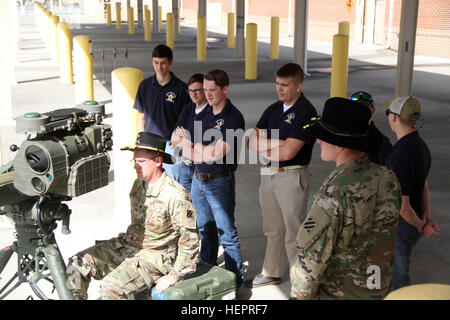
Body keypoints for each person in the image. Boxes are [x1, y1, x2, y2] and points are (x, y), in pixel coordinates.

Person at [290, 97, 402, 300]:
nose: (319, 141)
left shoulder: (334, 194)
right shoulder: (388, 177)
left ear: (339, 144)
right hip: (379, 290)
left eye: (323, 137)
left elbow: (309, 263)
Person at [66, 132, 200, 300]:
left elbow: (191, 240)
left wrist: (175, 275)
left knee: (110, 287)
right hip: (130, 245)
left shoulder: (175, 195)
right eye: (135, 161)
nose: (136, 166)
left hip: (155, 257)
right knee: (76, 265)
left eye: (141, 161)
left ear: (158, 161)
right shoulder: (139, 184)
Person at [246, 63, 317, 288]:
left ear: (298, 86)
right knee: (272, 228)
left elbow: (289, 152)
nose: (279, 89)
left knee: (294, 232)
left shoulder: (306, 112)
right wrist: (278, 142)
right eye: (277, 84)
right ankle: (272, 272)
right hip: (268, 173)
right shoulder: (273, 109)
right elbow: (251, 142)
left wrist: (267, 145)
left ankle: (300, 281)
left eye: (285, 85)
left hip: (292, 177)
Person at [176, 69, 245, 288]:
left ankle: (234, 281)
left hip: (219, 182)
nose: (207, 94)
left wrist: (192, 146)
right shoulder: (203, 114)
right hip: (198, 179)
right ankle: (207, 269)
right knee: (205, 229)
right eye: (205, 90)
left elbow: (215, 154)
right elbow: (179, 142)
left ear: (225, 88)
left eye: (212, 90)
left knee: (227, 234)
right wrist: (195, 148)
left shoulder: (234, 118)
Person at [383, 96, 440, 291]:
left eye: (388, 113)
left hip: (402, 227)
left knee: (398, 281)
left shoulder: (400, 155)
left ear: (393, 118)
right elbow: (422, 184)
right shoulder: (420, 147)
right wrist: (426, 217)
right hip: (412, 223)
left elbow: (402, 206)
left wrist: (421, 225)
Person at [133, 44, 191, 181]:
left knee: (173, 182)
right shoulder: (145, 86)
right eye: (156, 63)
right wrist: (142, 142)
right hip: (150, 144)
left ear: (171, 62)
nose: (159, 67)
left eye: (163, 63)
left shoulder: (181, 89)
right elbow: (141, 117)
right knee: (151, 182)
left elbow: (187, 121)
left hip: (171, 146)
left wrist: (180, 143)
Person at [171, 73, 208, 192]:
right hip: (185, 166)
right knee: (185, 204)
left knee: (201, 206)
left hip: (201, 168)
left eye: (197, 90)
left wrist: (186, 139)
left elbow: (205, 145)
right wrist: (190, 141)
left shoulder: (211, 112)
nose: (193, 94)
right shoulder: (188, 109)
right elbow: (174, 139)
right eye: (190, 91)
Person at [350, 90, 393, 165]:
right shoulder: (344, 134)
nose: (360, 111)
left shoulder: (382, 142)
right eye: (356, 108)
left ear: (372, 111)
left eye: (365, 108)